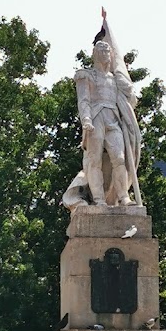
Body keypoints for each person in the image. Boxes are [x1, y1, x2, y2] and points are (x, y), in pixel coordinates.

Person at [63, 12, 142, 210]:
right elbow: (84, 100)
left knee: (120, 158)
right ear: (96, 54)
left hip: (113, 120)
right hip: (96, 118)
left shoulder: (115, 79)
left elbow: (131, 98)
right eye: (103, 51)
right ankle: (98, 199)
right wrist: (86, 120)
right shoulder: (86, 76)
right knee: (95, 160)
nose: (107, 54)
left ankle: (123, 196)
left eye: (109, 52)